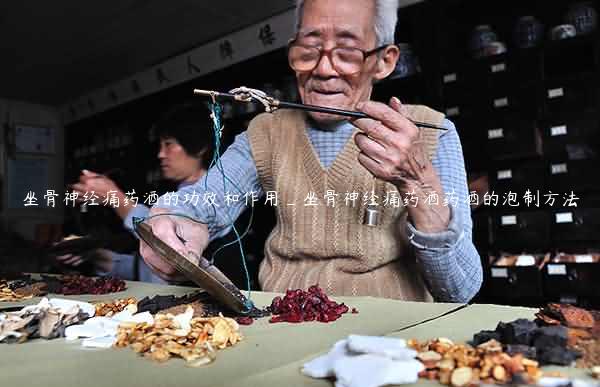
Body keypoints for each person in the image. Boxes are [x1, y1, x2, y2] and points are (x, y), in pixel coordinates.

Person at [140, 0, 483, 302]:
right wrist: (175, 221)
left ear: (384, 61)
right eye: (308, 49)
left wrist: (416, 183)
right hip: (285, 327)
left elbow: (460, 288)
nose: (323, 69)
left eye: (347, 52)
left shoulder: (430, 131)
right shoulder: (267, 130)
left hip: (389, 340)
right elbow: (207, 202)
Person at [57, 103, 214, 283]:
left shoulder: (213, 199)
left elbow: (168, 246)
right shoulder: (172, 196)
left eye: (169, 144)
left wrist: (115, 198)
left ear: (200, 147)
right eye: (160, 145)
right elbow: (154, 270)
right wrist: (98, 257)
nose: (161, 154)